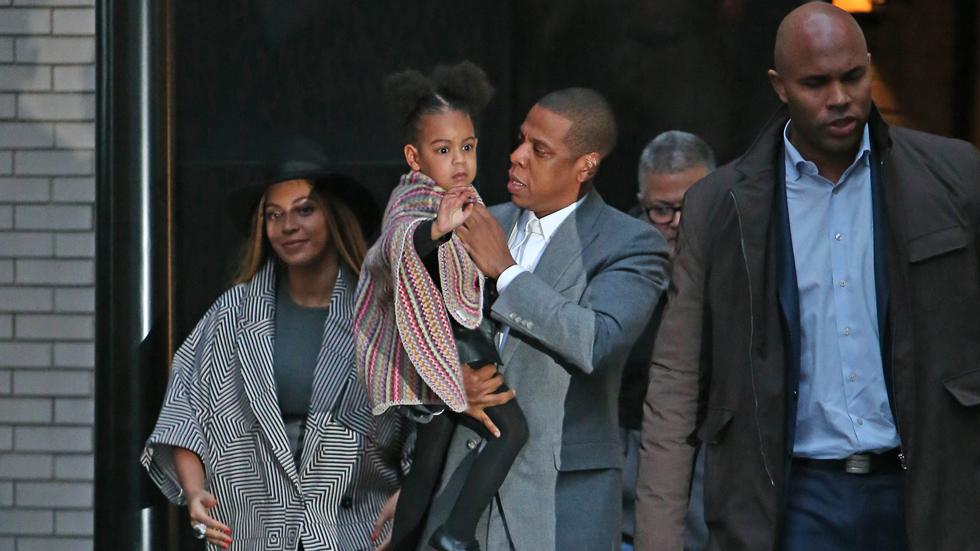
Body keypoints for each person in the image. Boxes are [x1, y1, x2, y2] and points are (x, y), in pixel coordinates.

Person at [636, 3, 980, 550]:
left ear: (869, 64)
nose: (840, 98)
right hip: (791, 497)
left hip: (926, 488)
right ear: (779, 86)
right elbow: (676, 382)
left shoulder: (953, 175)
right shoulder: (721, 205)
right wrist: (658, 540)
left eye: (853, 76)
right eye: (817, 83)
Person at [420, 87, 670, 551]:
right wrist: (447, 382)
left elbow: (597, 340)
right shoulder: (475, 221)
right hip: (456, 490)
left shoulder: (631, 243)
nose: (516, 157)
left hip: (559, 507)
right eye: (520, 140)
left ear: (585, 165)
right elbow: (415, 336)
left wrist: (507, 273)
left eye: (539, 150)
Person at [142, 169, 409, 551]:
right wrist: (194, 490)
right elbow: (185, 410)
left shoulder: (379, 315)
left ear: (334, 217)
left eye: (305, 210)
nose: (288, 226)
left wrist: (410, 498)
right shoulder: (232, 315)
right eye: (274, 214)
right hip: (252, 528)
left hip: (354, 529)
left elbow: (423, 422)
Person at [354, 61, 528, 551]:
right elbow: (396, 247)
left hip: (452, 346)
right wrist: (435, 230)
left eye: (468, 147)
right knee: (511, 431)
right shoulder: (415, 202)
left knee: (427, 467)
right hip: (446, 347)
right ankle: (455, 535)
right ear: (414, 155)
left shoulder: (467, 199)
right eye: (443, 149)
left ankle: (405, 542)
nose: (459, 161)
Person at [620, 131, 714, 551]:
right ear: (641, 203)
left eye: (692, 208)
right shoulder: (612, 264)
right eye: (662, 210)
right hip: (626, 454)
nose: (677, 223)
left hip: (712, 461)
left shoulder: (748, 255)